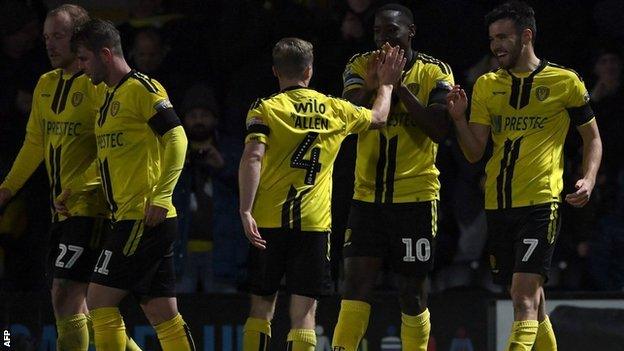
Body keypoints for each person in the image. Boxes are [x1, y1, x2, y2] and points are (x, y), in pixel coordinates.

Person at [446, 2, 602, 350]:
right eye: (491, 39)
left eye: (503, 37)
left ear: (526, 36)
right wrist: (458, 119)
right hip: (498, 204)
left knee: (522, 297)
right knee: (534, 299)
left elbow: (592, 138)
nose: (495, 45)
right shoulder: (487, 85)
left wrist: (588, 178)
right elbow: (474, 152)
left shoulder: (564, 82)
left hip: (541, 202)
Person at [239, 37, 404, 351]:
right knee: (304, 313)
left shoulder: (265, 108)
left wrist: (246, 210)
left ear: (276, 71)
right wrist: (385, 85)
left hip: (267, 221)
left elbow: (253, 157)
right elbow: (379, 117)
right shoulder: (335, 109)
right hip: (313, 225)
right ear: (309, 71)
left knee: (262, 306)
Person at [0, 5, 141, 350]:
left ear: (79, 37)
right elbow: (34, 143)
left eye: (58, 36)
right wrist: (6, 190)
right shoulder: (45, 84)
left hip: (93, 208)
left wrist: (80, 187)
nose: (50, 44)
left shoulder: (98, 86)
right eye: (46, 37)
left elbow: (111, 147)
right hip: (61, 209)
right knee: (80, 306)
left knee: (65, 294)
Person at [58, 18, 195, 350]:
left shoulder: (142, 89)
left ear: (105, 54)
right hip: (135, 219)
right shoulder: (107, 98)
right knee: (162, 313)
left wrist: (162, 195)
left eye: (84, 58)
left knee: (99, 300)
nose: (80, 66)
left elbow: (177, 137)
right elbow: (109, 156)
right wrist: (75, 187)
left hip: (143, 216)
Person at [332, 4, 454, 351]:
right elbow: (349, 116)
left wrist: (397, 86)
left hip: (414, 198)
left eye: (392, 31)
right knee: (353, 286)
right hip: (366, 198)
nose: (383, 40)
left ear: (410, 31)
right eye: (377, 33)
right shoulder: (359, 65)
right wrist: (376, 86)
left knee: (412, 293)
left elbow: (438, 129)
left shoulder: (435, 71)